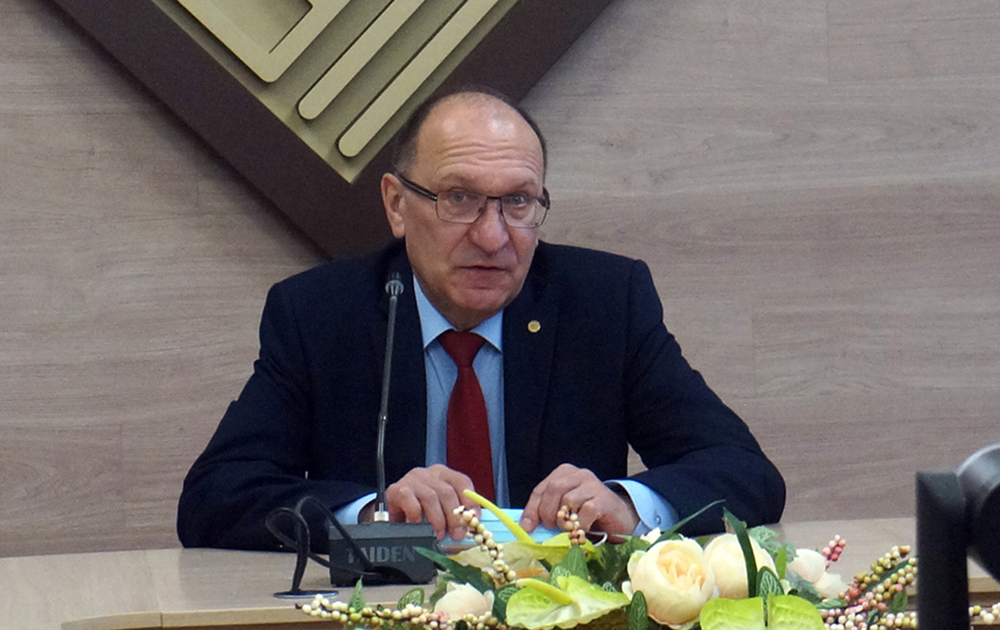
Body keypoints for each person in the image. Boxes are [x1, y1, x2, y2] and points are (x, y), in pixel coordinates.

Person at [177, 89, 785, 550]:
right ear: (397, 204)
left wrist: (626, 505)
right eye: (460, 198)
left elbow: (745, 473)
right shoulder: (320, 315)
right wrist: (371, 515)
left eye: (517, 201)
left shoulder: (604, 303)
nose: (493, 237)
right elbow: (215, 496)